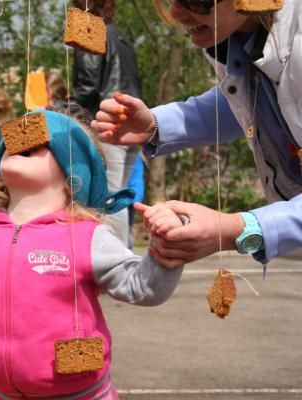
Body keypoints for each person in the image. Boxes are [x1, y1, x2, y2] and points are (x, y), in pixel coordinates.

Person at [0, 110, 185, 399]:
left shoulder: (85, 235)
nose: (20, 142)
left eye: (37, 144)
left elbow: (143, 287)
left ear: (73, 173)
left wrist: (164, 248)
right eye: (14, 142)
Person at [92, 0, 302, 267]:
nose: (175, 13)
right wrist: (157, 125)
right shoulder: (233, 36)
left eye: (195, 0)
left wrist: (235, 227)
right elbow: (246, 103)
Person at [71, 0, 143, 247]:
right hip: (131, 123)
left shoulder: (89, 30)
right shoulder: (121, 37)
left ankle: (117, 259)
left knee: (108, 196)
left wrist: (59, 109)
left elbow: (87, 87)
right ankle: (123, 253)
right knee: (119, 192)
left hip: (107, 122)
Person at [127, 152, 145, 250]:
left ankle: (127, 251)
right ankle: (129, 251)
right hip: (135, 196)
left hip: (128, 195)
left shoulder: (131, 155)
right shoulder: (138, 156)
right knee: (128, 228)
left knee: (126, 228)